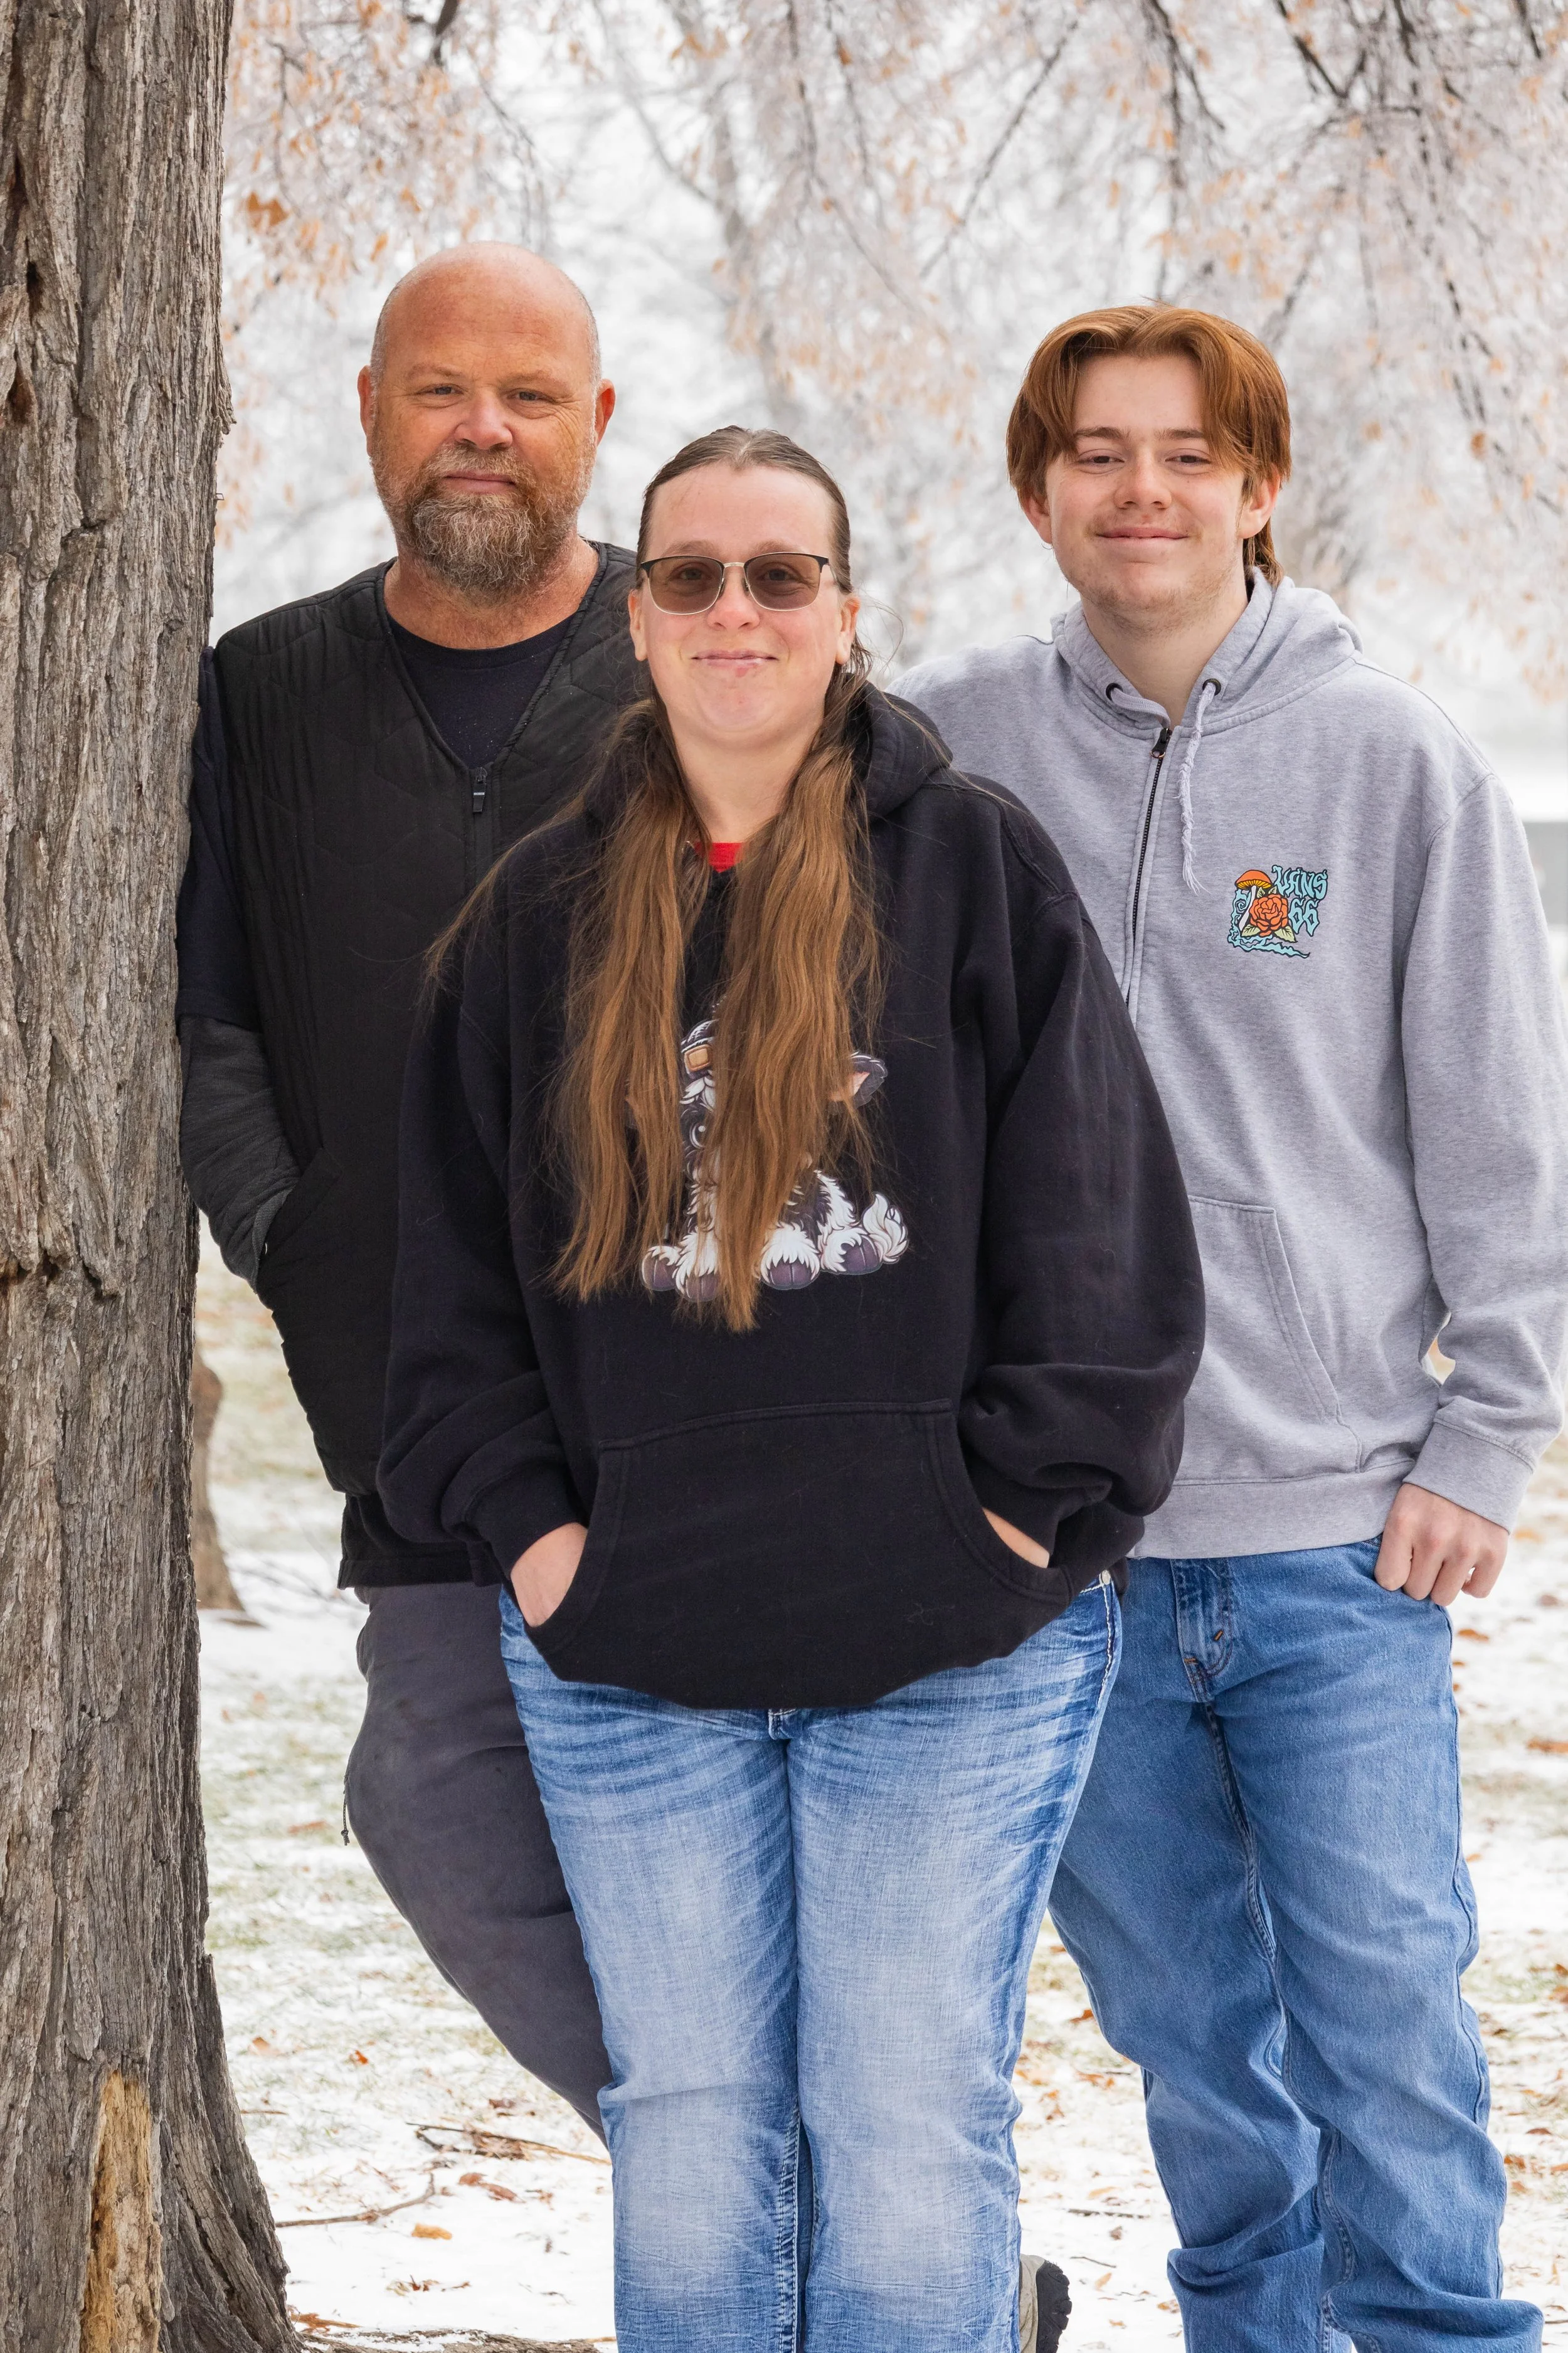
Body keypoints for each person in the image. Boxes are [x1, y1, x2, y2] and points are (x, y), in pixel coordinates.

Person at [379, 425, 1204, 2352]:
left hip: (949, 1648)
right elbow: (450, 1307)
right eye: (691, 575)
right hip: (634, 1654)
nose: (734, 609)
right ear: (637, 616)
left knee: (907, 2123)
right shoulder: (533, 920)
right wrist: (552, 1545)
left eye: (778, 573)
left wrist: (1000, 1518)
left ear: (842, 614)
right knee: (688, 2132)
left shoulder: (974, 865)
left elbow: (1101, 1241)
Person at [899, 304, 1568, 2352]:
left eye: (1186, 452)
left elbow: (1495, 1114)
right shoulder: (945, 749)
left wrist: (1488, 1432)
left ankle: (1443, 2336)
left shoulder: (1384, 757)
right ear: (1038, 494)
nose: (1141, 490)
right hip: (1062, 1553)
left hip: (1329, 1534)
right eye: (1095, 453)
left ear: (1257, 489)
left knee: (1382, 2011)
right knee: (1189, 2030)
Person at [176, 243, 640, 2129]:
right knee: (435, 1796)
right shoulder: (261, 692)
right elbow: (210, 1031)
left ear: (595, 427)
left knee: (699, 1864)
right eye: (440, 389)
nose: (481, 430)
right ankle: (799, 2233)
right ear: (368, 412)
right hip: (413, 1407)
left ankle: (837, 2263)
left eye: (527, 396)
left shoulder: (694, 660)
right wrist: (296, 1247)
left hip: (687, 1405)